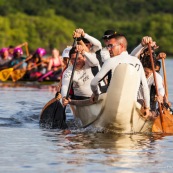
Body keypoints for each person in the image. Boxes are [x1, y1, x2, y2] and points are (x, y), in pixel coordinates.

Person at [90, 33, 151, 117]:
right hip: (131, 106)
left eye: (111, 46)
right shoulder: (137, 61)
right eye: (108, 46)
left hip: (111, 106)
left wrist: (96, 94)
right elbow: (145, 87)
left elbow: (93, 83)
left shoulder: (110, 61)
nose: (109, 49)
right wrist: (147, 107)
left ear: (121, 46)